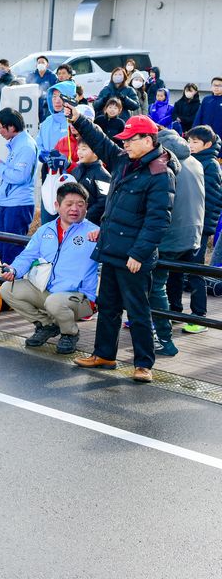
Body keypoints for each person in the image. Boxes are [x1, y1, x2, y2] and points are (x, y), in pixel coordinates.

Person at [65, 108, 172, 383]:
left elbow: (158, 220)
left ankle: (144, 364)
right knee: (109, 306)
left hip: (134, 256)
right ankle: (104, 355)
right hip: (112, 248)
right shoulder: (124, 159)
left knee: (137, 311)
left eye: (130, 139)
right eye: (124, 140)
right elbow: (101, 142)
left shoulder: (160, 173)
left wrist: (139, 252)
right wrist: (78, 119)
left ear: (148, 139)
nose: (124, 144)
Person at [0, 182, 99, 356]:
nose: (75, 208)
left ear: (86, 207)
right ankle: (46, 325)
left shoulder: (95, 233)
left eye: (80, 204)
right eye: (69, 204)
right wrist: (13, 270)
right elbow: (27, 256)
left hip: (80, 298)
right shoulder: (45, 230)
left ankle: (70, 333)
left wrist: (104, 235)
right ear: (57, 206)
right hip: (50, 292)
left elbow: (117, 247)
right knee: (8, 289)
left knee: (54, 302)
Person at [147, 128, 203, 358]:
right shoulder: (195, 162)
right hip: (193, 235)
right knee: (175, 281)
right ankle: (166, 327)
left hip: (168, 237)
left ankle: (164, 339)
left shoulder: (163, 165)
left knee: (156, 286)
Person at [0, 109, 38, 266]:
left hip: (18, 204)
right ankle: (6, 287)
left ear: (12, 127)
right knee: (5, 249)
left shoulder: (25, 145)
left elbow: (19, 176)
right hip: (10, 203)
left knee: (11, 252)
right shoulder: (19, 143)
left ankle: (12, 288)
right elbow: (14, 171)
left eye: (1, 127)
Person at [180, 126, 222, 330]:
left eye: (195, 142)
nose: (191, 145)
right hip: (186, 225)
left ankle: (199, 316)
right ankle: (174, 311)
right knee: (178, 269)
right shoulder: (190, 160)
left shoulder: (210, 165)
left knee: (195, 271)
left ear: (208, 144)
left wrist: (204, 228)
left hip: (200, 227)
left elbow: (213, 201)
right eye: (189, 141)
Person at [69, 141, 111, 225]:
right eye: (78, 148)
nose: (79, 152)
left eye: (83, 149)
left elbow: (103, 202)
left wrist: (84, 215)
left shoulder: (103, 175)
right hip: (73, 220)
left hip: (92, 224)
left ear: (96, 152)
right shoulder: (76, 170)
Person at [29, 56, 57, 121]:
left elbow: (55, 90)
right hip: (33, 103)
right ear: (36, 65)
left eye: (43, 62)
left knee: (45, 121)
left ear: (47, 65)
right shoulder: (31, 75)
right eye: (39, 62)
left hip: (46, 104)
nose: (40, 64)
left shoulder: (52, 76)